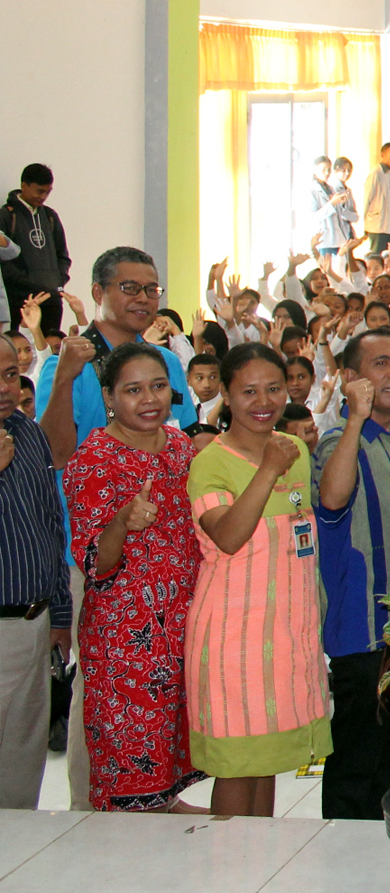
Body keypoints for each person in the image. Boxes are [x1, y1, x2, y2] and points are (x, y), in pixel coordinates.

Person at [185, 344, 330, 817]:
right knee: (237, 765)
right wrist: (268, 469)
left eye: (274, 388)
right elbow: (228, 536)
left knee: (265, 761)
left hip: (286, 634)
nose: (263, 402)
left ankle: (262, 853)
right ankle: (229, 859)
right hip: (234, 639)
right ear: (226, 395)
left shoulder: (296, 451)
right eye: (248, 392)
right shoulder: (211, 462)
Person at [64, 343, 203, 812]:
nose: (149, 399)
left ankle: (165, 812)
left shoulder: (180, 448)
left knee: (168, 759)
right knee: (130, 764)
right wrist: (122, 522)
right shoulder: (93, 459)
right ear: (109, 397)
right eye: (133, 390)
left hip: (182, 628)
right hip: (126, 644)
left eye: (158, 386)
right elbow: (95, 564)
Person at [312, 330, 390, 818]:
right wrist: (355, 418)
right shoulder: (339, 441)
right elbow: (332, 498)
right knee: (356, 762)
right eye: (381, 363)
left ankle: (386, 850)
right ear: (350, 378)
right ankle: (342, 855)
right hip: (362, 632)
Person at [36, 246, 195, 461]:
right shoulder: (66, 366)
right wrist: (64, 378)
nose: (143, 298)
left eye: (151, 290)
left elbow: (189, 437)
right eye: (130, 288)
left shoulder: (167, 361)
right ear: (98, 293)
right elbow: (53, 456)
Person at [0, 334, 68, 809]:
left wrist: (59, 612)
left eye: (10, 374)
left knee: (23, 761)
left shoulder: (27, 433)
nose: (5, 387)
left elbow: (50, 524)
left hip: (34, 622)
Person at [0, 165, 66, 338]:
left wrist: (58, 282)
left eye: (47, 192)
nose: (43, 197)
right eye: (39, 191)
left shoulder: (50, 216)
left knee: (50, 349)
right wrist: (29, 285)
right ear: (24, 186)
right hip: (20, 300)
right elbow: (4, 262)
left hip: (51, 300)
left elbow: (63, 256)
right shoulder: (7, 215)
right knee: (23, 348)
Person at [364, 143, 390, 259]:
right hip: (377, 226)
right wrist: (364, 226)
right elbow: (366, 200)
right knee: (376, 258)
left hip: (387, 226)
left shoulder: (389, 174)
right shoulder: (376, 174)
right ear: (383, 155)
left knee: (386, 257)